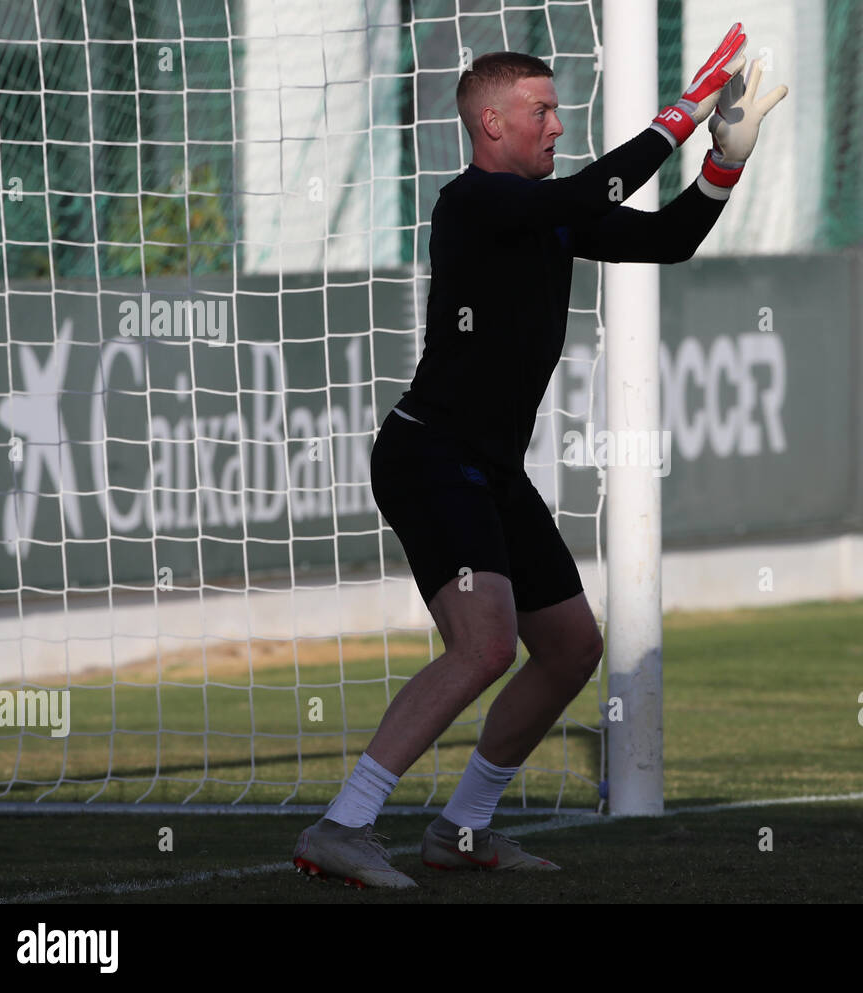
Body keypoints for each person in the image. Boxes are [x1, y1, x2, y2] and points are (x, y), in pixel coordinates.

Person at [293, 21, 787, 889]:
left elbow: (668, 240)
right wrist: (680, 116)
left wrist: (726, 162)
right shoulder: (476, 204)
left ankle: (463, 831)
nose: (558, 126)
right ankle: (344, 822)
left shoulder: (545, 215)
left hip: (490, 468)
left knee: (569, 648)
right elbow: (591, 192)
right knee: (483, 649)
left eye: (557, 111)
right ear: (491, 125)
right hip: (431, 457)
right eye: (543, 111)